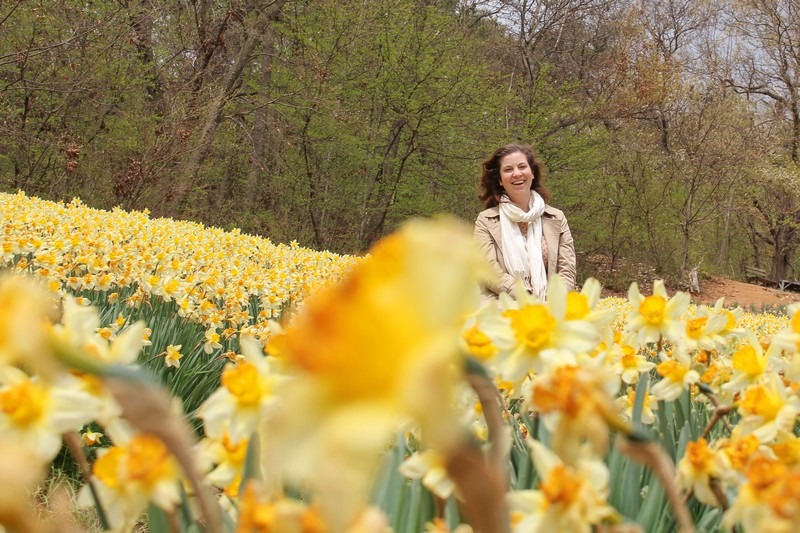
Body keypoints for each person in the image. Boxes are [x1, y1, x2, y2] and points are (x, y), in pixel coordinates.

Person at [474, 143, 576, 302]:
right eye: (508, 170)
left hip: (551, 307)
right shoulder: (485, 221)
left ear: (532, 173)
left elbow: (567, 270)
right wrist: (526, 297)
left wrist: (553, 300)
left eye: (522, 167)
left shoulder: (557, 218)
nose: (517, 174)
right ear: (500, 180)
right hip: (503, 308)